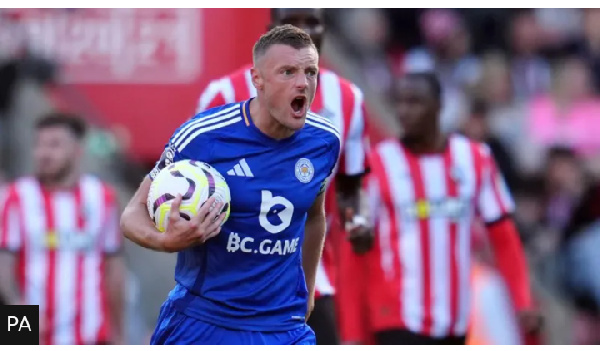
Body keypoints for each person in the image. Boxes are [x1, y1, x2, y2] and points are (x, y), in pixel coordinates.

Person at [120, 25, 341, 345]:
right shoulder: (204, 137)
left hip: (282, 325)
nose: (302, 83)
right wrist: (166, 241)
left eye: (310, 72)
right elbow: (132, 214)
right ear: (258, 80)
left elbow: (315, 216)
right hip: (204, 320)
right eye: (288, 72)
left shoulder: (324, 141)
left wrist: (307, 291)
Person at [195, 8, 371, 345]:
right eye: (292, 22)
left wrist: (357, 217)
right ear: (270, 30)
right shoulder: (222, 96)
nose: (303, 32)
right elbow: (192, 183)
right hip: (230, 282)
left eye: (313, 23)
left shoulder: (348, 100)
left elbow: (351, 187)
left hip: (308, 277)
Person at [364, 72, 533, 344]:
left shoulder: (476, 159)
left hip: (453, 319)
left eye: (415, 102)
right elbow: (357, 249)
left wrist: (522, 300)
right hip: (396, 314)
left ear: (439, 106)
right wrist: (354, 328)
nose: (404, 111)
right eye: (400, 102)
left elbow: (505, 238)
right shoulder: (378, 163)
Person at [0, 112, 125, 345]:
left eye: (54, 145)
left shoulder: (102, 197)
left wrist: (119, 335)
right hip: (32, 336)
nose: (43, 153)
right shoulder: (16, 196)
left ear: (77, 150)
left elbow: (114, 269)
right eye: (38, 145)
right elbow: (3, 267)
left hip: (91, 336)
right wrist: (17, 315)